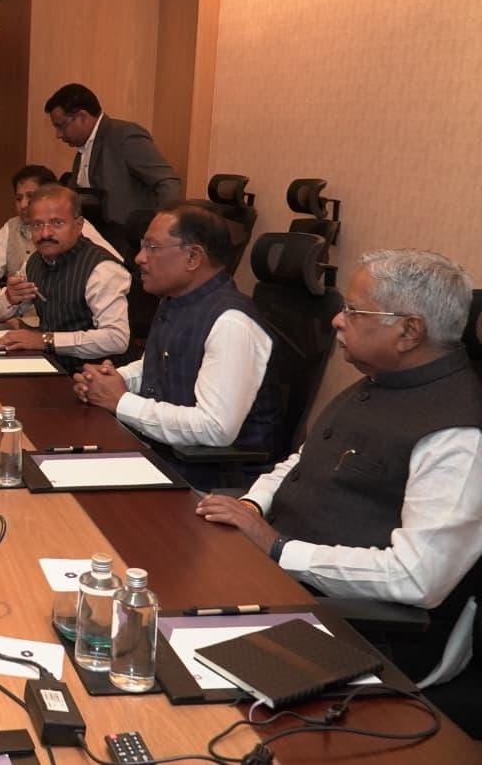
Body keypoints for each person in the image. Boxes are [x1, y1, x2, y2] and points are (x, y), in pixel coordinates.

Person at [197, 249, 481, 683]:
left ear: (409, 331)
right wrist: (252, 506)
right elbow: (302, 460)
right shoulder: (379, 382)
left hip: (365, 634)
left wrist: (279, 548)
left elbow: (417, 578)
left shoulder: (458, 433)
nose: (336, 320)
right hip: (285, 585)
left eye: (353, 310)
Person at [73, 204, 280, 489]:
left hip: (208, 484)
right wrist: (114, 379)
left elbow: (215, 428)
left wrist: (120, 401)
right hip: (162, 456)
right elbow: (161, 362)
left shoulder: (232, 323)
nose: (139, 258)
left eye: (152, 247)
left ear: (193, 257)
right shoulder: (176, 299)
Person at [0, 185, 130, 371]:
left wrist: (46, 340)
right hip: (48, 367)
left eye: (57, 223)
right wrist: (10, 298)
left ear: (78, 225)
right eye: (37, 225)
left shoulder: (102, 269)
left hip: (93, 376)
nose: (45, 234)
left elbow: (116, 339)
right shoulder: (34, 261)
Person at [0, 164, 121, 321]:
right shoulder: (31, 261)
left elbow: (112, 271)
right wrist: (4, 300)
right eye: (18, 198)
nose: (23, 205)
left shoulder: (82, 237)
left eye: (31, 196)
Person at [44, 83, 181, 226]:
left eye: (61, 126)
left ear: (82, 116)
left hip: (127, 235)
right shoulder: (82, 149)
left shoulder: (124, 136)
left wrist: (160, 227)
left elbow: (168, 183)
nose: (58, 135)